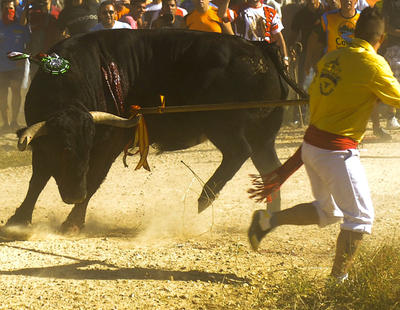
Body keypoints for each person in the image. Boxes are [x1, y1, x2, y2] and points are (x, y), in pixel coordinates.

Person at [247, 7, 400, 281]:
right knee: (360, 219)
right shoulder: (375, 65)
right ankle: (336, 285)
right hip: (336, 152)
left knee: (329, 211)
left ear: (354, 31)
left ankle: (267, 221)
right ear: (382, 38)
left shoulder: (331, 59)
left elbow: (317, 123)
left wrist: (285, 170)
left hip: (314, 148)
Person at [0, 0, 30, 131]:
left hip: (17, 66)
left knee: (16, 91)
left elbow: (28, 43)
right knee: (2, 95)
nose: (8, 11)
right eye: (6, 9)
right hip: (1, 66)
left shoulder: (21, 24)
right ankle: (5, 123)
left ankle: (14, 121)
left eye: (11, 8)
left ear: (15, 9)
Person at [234, 0, 289, 68]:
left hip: (264, 57)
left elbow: (279, 37)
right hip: (244, 55)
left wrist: (285, 58)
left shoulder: (270, 11)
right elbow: (222, 15)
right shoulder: (238, 9)